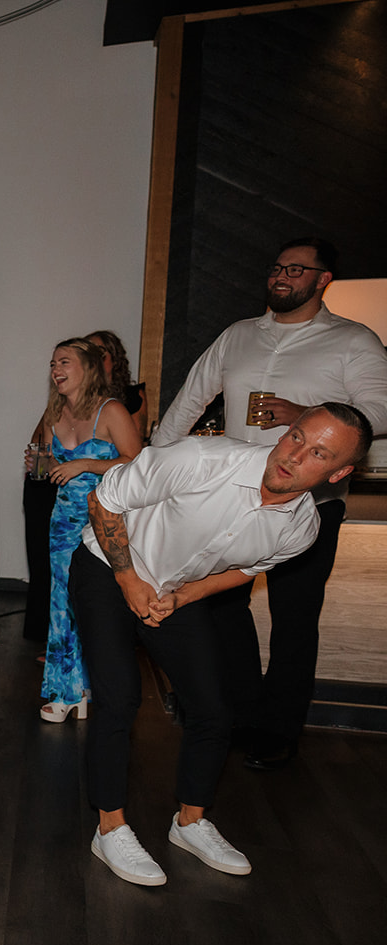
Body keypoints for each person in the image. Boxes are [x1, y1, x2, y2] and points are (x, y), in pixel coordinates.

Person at [75, 403, 370, 886]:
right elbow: (105, 501)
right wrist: (129, 581)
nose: (294, 455)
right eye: (296, 436)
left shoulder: (301, 529)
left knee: (214, 707)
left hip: (176, 589)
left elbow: (247, 569)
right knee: (119, 698)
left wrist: (184, 596)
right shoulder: (200, 458)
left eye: (318, 453)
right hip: (109, 568)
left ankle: (189, 822)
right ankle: (110, 828)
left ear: (338, 473)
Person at [153, 238, 387, 769]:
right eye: (278, 268)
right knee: (221, 608)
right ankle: (238, 710)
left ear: (323, 279)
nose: (282, 276)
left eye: (297, 269)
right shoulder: (238, 336)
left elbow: (381, 409)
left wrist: (304, 414)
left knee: (294, 616)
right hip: (233, 497)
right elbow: (191, 397)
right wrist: (155, 465)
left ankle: (277, 729)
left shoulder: (353, 341)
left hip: (311, 502)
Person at [35, 339, 142, 721]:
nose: (55, 368)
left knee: (97, 608)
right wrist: (41, 462)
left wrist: (83, 464)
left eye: (63, 361)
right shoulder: (54, 413)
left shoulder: (111, 410)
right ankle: (68, 691)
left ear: (88, 368)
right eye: (52, 362)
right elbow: (50, 469)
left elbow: (136, 464)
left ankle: (95, 688)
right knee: (61, 606)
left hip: (104, 523)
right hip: (64, 522)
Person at [86, 329, 148, 441]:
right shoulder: (73, 395)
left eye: (100, 354)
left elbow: (135, 444)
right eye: (88, 355)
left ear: (115, 360)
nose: (94, 360)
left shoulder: (133, 396)